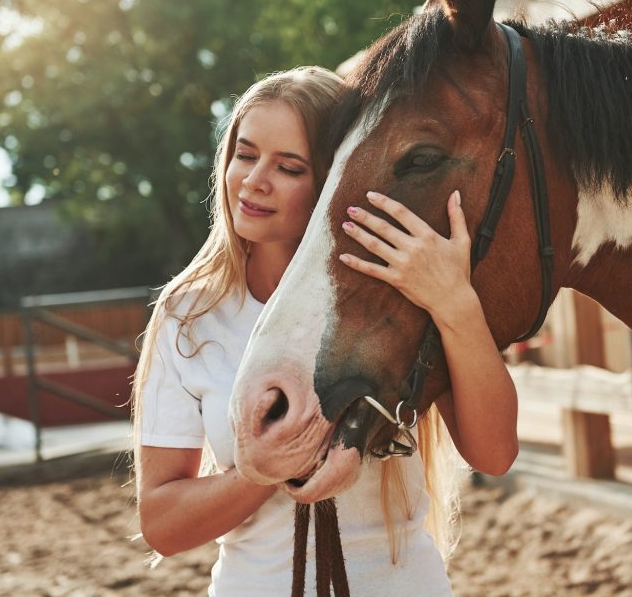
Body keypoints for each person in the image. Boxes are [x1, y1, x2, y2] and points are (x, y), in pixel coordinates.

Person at [132, 66, 519, 596]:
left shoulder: (398, 288)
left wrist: (456, 304)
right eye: (245, 155)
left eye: (289, 167)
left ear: (338, 177)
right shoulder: (189, 313)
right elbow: (161, 523)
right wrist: (259, 471)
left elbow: (494, 454)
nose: (254, 180)